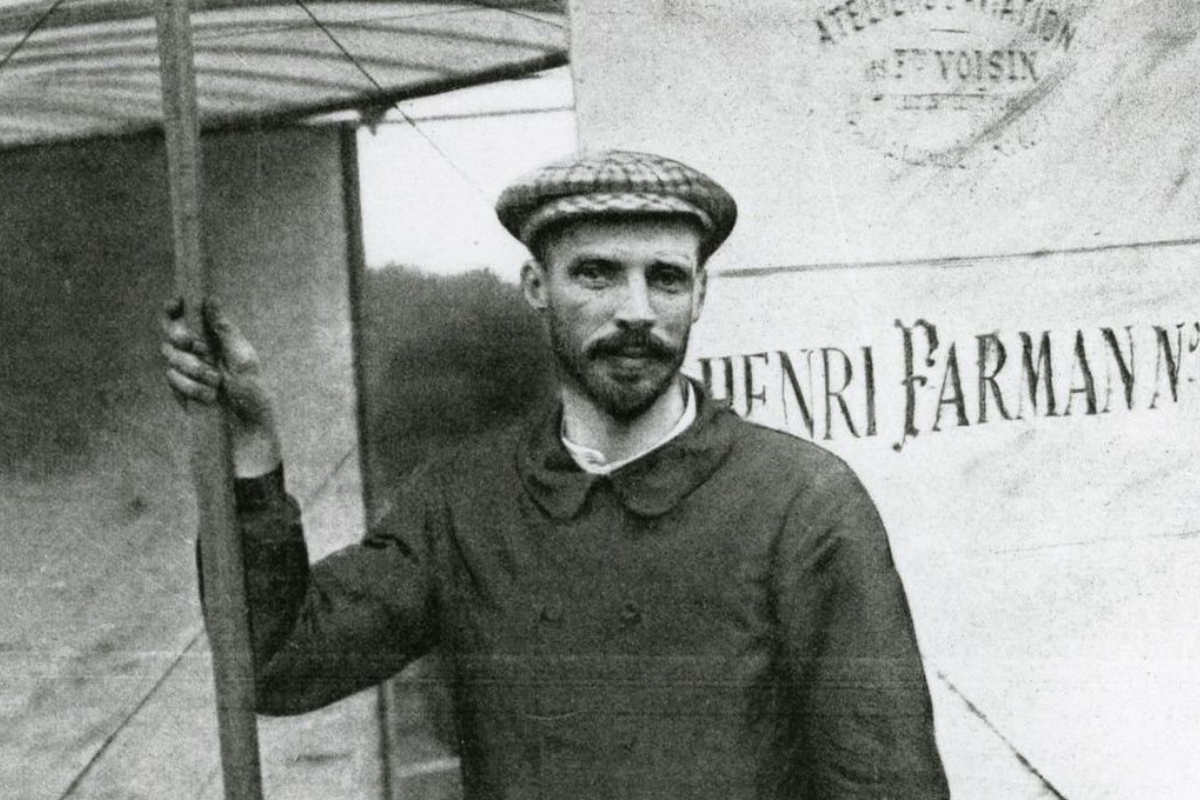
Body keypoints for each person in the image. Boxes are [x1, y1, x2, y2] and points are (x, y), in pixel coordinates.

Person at [163, 150, 949, 799]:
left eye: (667, 278)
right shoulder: (463, 503)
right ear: (536, 287)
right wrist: (250, 448)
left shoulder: (802, 500)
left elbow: (886, 781)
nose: (637, 310)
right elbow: (280, 663)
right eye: (597, 274)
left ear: (701, 294)